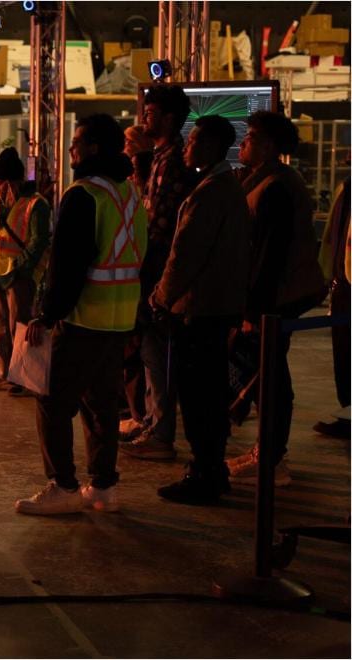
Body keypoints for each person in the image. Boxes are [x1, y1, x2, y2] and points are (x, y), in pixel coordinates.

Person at [14, 114, 147, 515]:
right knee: (101, 403)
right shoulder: (129, 193)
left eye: (77, 142)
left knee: (51, 399)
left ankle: (64, 486)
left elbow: (67, 265)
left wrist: (47, 313)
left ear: (93, 149)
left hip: (83, 317)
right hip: (120, 318)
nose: (71, 149)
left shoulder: (83, 195)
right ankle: (103, 486)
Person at [150, 115, 250, 505]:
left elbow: (185, 254)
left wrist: (161, 297)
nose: (186, 147)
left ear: (209, 146)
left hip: (200, 309)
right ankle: (211, 469)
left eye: (192, 141)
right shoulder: (224, 187)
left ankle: (203, 474)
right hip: (216, 307)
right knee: (208, 393)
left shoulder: (210, 192)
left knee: (197, 397)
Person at [225, 111, 328, 485]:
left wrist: (253, 310)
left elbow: (269, 256)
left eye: (251, 137)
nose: (243, 143)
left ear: (268, 146)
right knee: (267, 374)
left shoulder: (276, 188)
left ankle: (271, 459)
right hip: (273, 295)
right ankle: (266, 452)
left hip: (277, 298)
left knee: (270, 378)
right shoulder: (264, 180)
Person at [121, 85, 199, 462]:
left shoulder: (171, 163)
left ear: (168, 118)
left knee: (158, 354)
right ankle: (153, 422)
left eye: (150, 113)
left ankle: (161, 431)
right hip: (154, 271)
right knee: (152, 354)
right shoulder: (161, 159)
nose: (144, 119)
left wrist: (149, 278)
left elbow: (160, 225)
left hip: (159, 274)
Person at [0, 147, 52, 397]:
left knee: (19, 327)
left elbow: (38, 242)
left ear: (10, 183)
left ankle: (24, 379)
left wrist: (21, 267)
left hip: (19, 276)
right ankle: (4, 374)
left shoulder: (36, 204)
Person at [120, 125, 155, 435]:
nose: (125, 147)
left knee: (142, 353)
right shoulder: (129, 184)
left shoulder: (150, 183)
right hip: (131, 280)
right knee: (132, 353)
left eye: (130, 142)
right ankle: (136, 412)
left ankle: (144, 417)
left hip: (143, 280)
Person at [314, 175, 350, 439]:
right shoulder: (347, 187)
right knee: (343, 353)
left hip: (345, 280)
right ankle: (347, 411)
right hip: (343, 281)